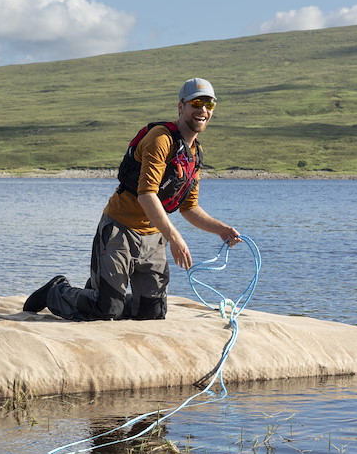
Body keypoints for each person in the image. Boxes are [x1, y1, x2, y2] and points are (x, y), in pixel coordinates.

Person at [23, 77, 241, 321]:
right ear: (181, 107)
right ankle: (58, 290)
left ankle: (100, 293)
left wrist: (221, 229)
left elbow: (189, 208)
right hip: (119, 229)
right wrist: (175, 237)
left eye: (209, 105)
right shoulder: (161, 139)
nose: (203, 110)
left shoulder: (194, 154)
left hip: (154, 236)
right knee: (107, 311)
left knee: (152, 314)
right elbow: (146, 195)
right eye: (196, 103)